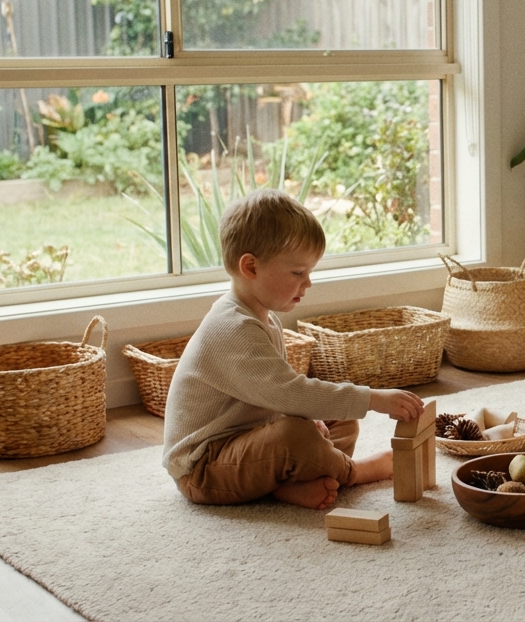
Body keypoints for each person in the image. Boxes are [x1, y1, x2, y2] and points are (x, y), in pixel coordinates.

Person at [162, 189, 424, 511]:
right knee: (295, 436)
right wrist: (373, 398)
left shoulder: (262, 317)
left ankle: (286, 484)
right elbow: (287, 393)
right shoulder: (232, 328)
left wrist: (307, 417)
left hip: (249, 441)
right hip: (204, 468)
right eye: (298, 273)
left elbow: (272, 397)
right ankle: (355, 473)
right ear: (251, 268)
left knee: (339, 419)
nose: (308, 282)